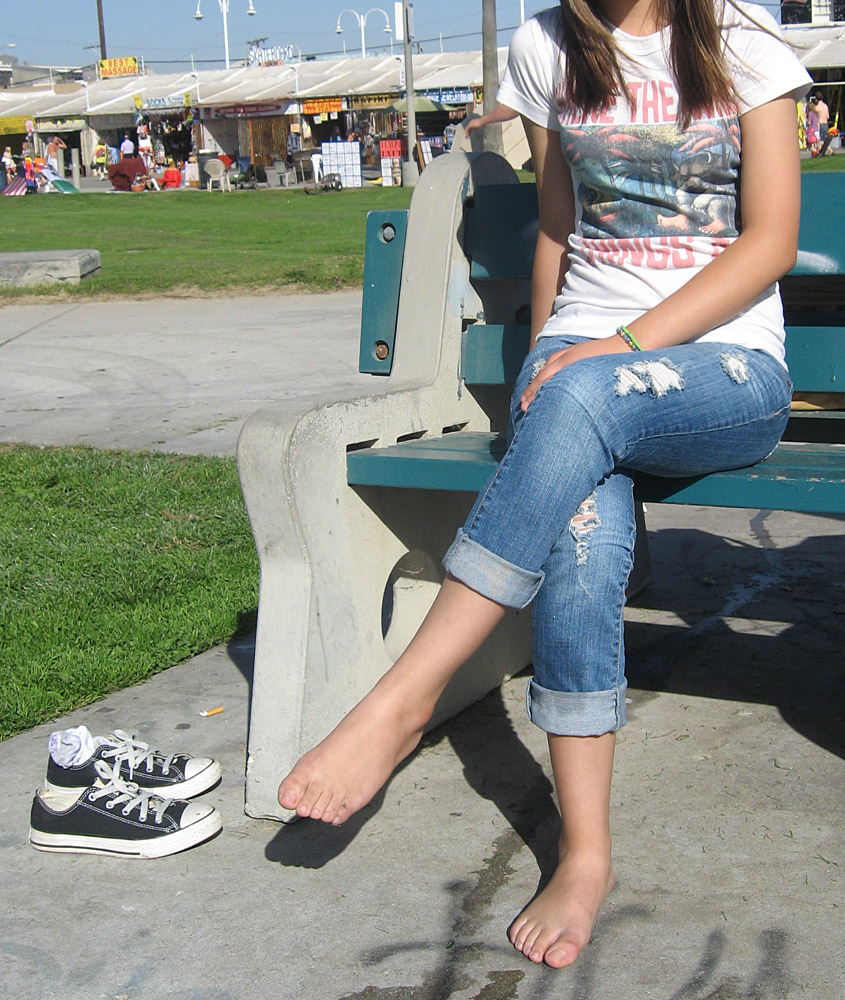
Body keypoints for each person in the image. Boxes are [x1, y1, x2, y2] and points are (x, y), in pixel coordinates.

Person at [278, 0, 811, 970]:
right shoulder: (544, 47)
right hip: (578, 365)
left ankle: (402, 698)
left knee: (582, 398)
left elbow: (770, 242)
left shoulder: (745, 41)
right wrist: (545, 357)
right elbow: (558, 230)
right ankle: (585, 854)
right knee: (580, 529)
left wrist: (615, 349)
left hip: (724, 369)